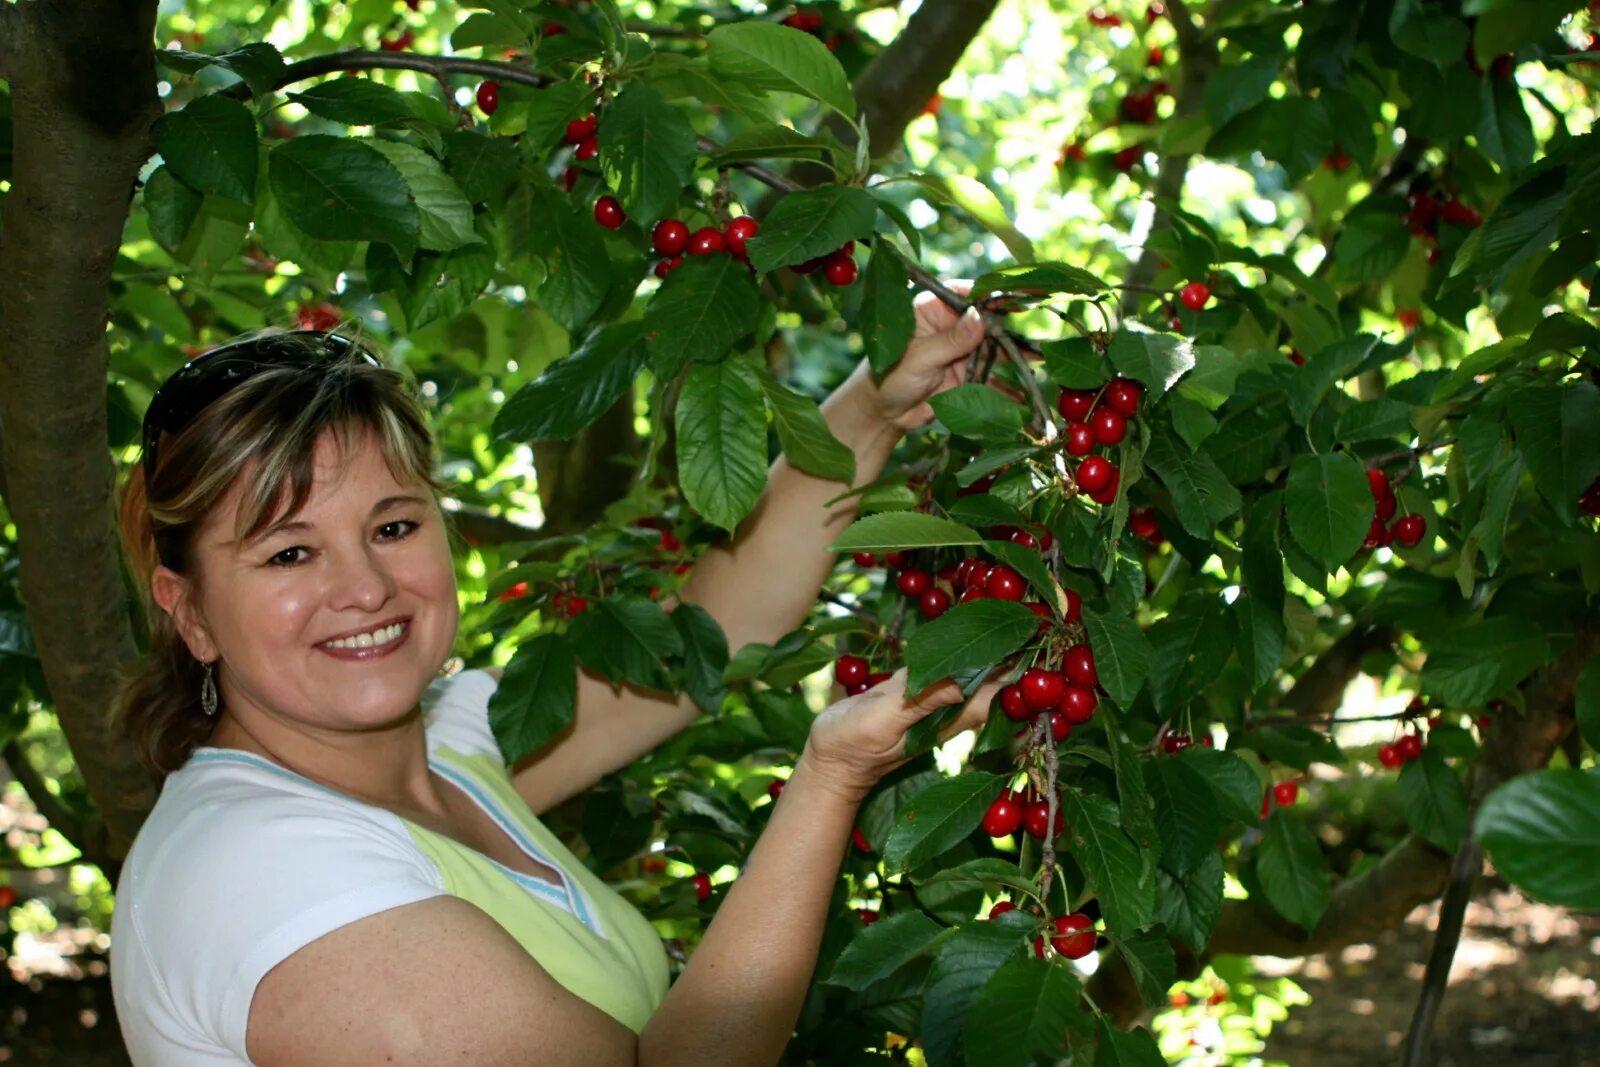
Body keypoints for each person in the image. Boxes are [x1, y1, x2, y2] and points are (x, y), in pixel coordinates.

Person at [109, 294, 996, 1066]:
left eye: (391, 526)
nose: (366, 588)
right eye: (291, 552)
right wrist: (830, 778)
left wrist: (875, 407)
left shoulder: (450, 740)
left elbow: (717, 625)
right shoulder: (258, 870)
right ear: (188, 611)